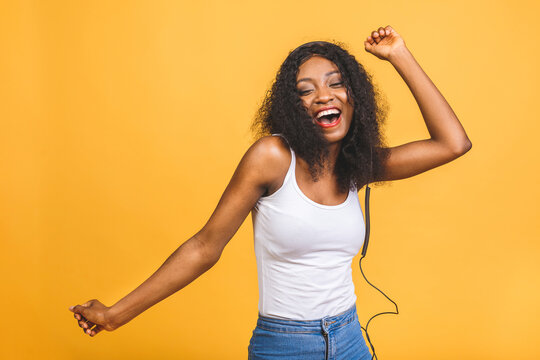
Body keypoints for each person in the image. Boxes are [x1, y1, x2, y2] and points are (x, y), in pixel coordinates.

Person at [69, 25, 472, 359]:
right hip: (285, 345)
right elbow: (204, 247)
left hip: (350, 339)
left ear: (355, 99)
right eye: (306, 90)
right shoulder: (272, 157)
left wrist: (399, 54)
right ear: (292, 106)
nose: (324, 96)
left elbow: (452, 143)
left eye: (336, 84)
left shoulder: (356, 168)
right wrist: (115, 315)